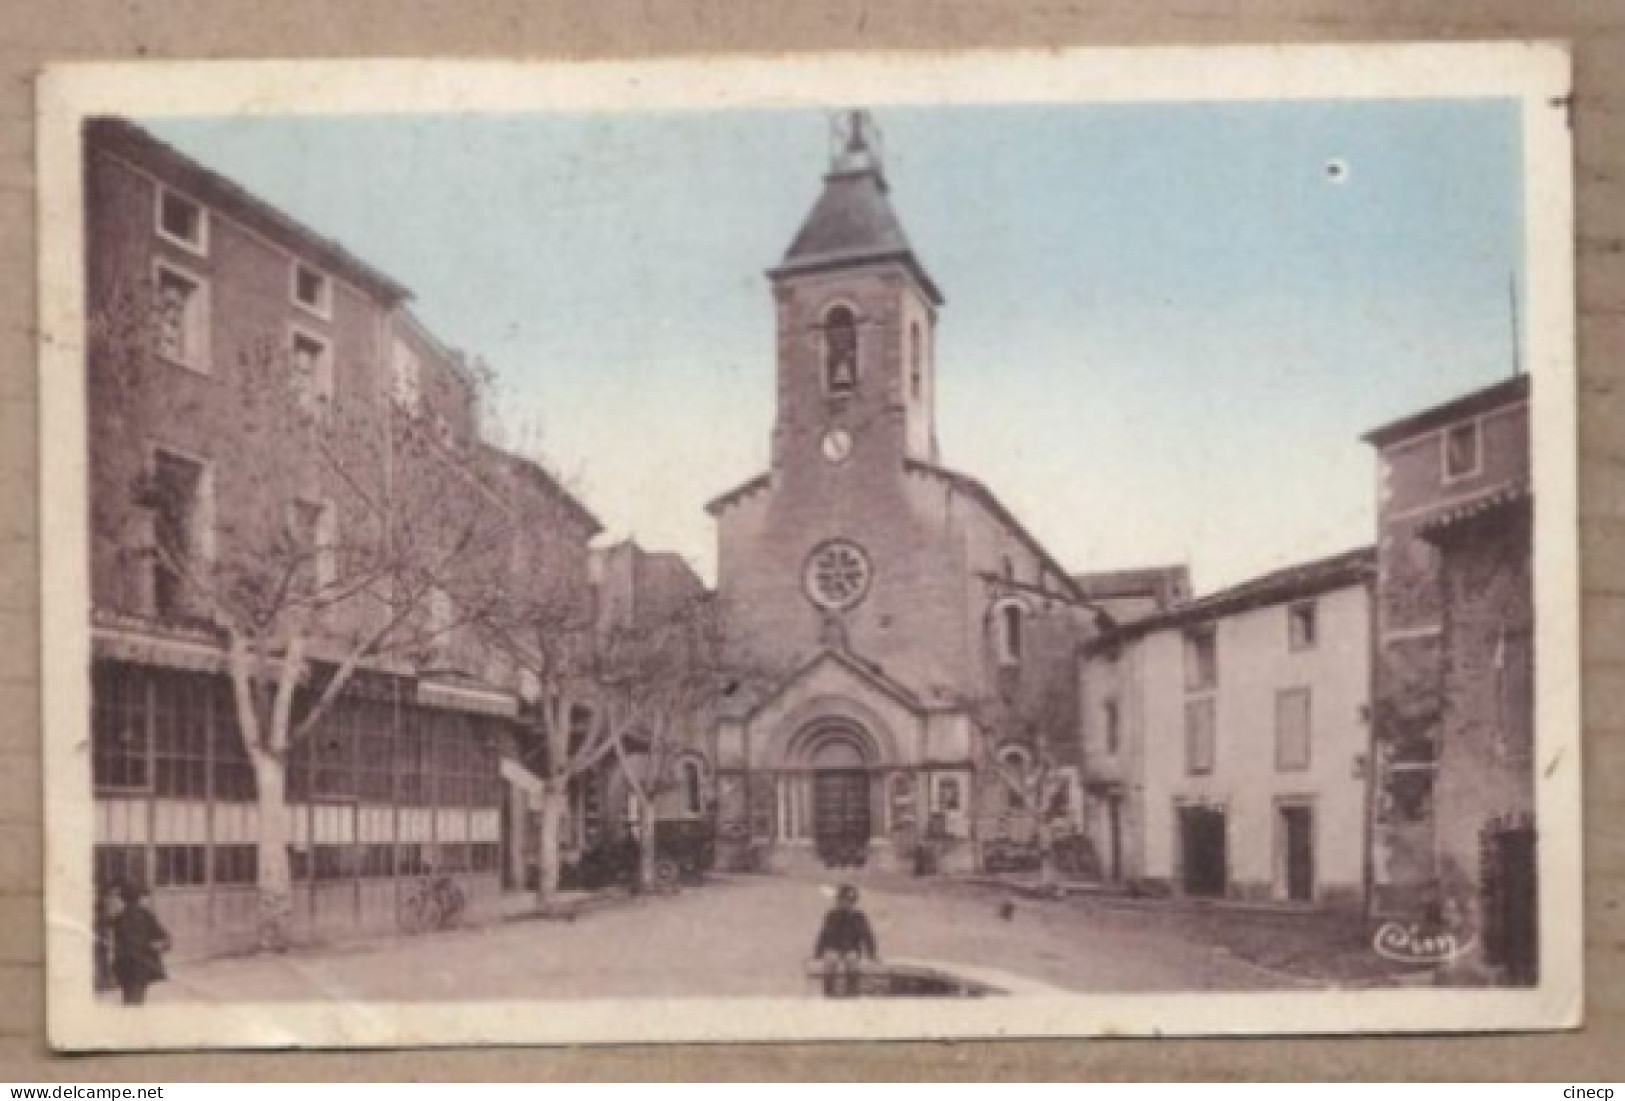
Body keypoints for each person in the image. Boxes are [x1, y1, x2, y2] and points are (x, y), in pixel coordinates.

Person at [110, 882, 170, 1006]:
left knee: (128, 998)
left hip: (125, 965)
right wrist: (160, 947)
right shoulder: (146, 915)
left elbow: (117, 943)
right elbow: (163, 937)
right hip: (141, 965)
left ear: (123, 899)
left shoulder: (119, 919)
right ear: (139, 898)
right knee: (137, 999)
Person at [813, 882, 877, 997]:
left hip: (851, 948)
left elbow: (867, 935)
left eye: (849, 901)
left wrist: (872, 954)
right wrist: (818, 953)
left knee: (851, 961)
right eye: (842, 900)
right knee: (830, 961)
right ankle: (829, 993)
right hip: (834, 947)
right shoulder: (832, 915)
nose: (845, 904)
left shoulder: (859, 917)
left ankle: (851, 993)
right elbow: (823, 934)